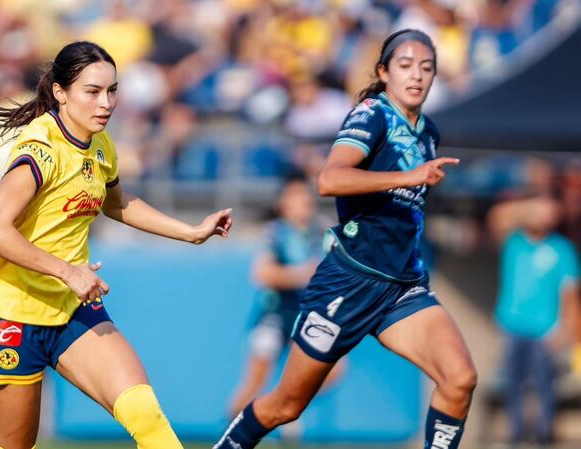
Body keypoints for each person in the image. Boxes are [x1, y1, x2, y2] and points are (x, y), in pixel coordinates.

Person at [0, 40, 233, 449]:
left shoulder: (100, 144)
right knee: (10, 447)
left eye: (112, 91)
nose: (106, 103)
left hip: (71, 311)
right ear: (61, 93)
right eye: (92, 91)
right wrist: (67, 271)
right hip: (12, 316)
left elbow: (117, 203)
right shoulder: (41, 150)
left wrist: (190, 232)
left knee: (145, 415)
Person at [212, 29, 476, 449]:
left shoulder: (429, 134)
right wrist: (409, 177)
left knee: (459, 379)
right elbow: (329, 179)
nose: (416, 75)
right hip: (349, 281)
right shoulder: (372, 114)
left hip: (402, 286)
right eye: (405, 65)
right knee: (286, 405)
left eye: (426, 68)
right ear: (383, 72)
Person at [228, 172, 325, 418]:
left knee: (331, 370)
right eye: (296, 195)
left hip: (305, 315)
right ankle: (231, 430)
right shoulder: (277, 233)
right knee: (254, 383)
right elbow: (262, 273)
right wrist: (302, 274)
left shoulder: (319, 232)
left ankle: (281, 408)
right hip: (274, 315)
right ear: (283, 202)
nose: (303, 200)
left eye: (305, 194)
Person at [488, 193, 580, 445]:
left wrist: (568, 331)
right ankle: (516, 435)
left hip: (546, 329)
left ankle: (543, 435)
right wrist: (526, 208)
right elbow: (495, 218)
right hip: (511, 325)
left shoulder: (562, 249)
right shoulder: (513, 241)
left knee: (544, 386)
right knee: (513, 384)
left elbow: (570, 295)